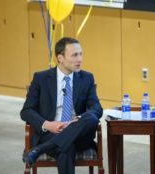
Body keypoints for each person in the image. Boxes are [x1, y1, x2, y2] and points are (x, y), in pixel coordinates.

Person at [20, 37, 103, 174]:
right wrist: (48, 124)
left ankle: (41, 149)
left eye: (81, 54)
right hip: (51, 132)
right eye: (75, 55)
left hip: (79, 132)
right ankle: (48, 145)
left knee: (92, 118)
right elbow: (26, 111)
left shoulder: (87, 78)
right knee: (66, 148)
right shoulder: (41, 78)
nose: (80, 59)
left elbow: (97, 108)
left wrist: (78, 120)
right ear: (60, 58)